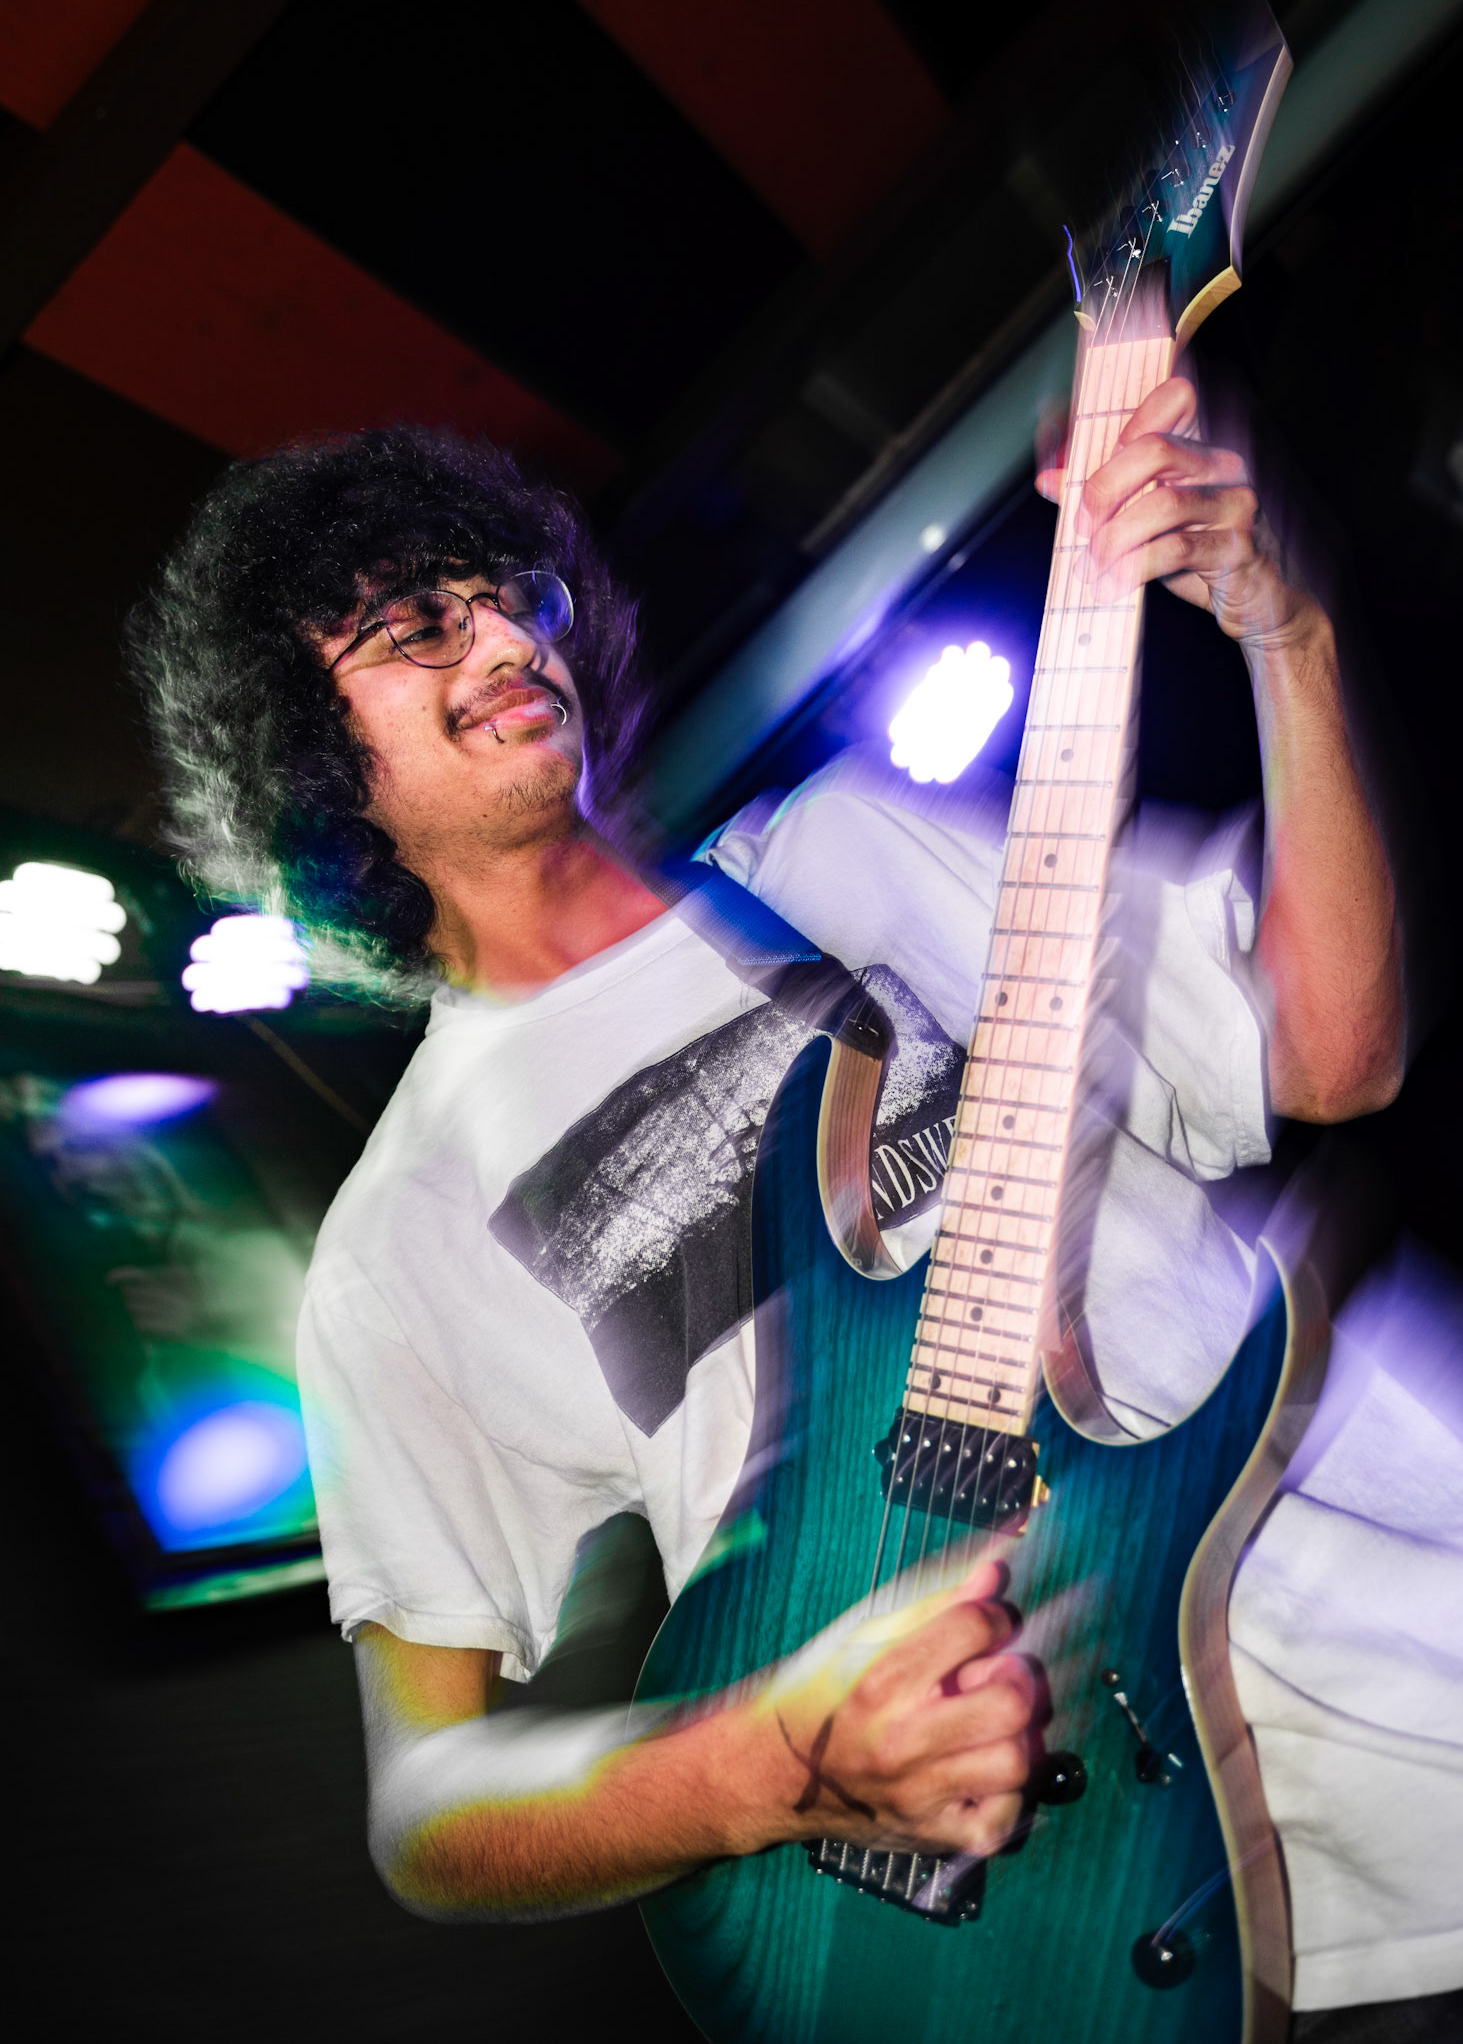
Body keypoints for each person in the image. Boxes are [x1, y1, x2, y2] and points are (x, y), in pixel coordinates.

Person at [131, 378, 1444, 2034]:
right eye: (414, 628)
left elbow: (1336, 1052)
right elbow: (430, 1813)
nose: (504, 641)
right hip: (1122, 1908)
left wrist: (1289, 631)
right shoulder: (404, 1235)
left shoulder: (848, 851)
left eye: (507, 593)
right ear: (307, 751)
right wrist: (772, 1767)